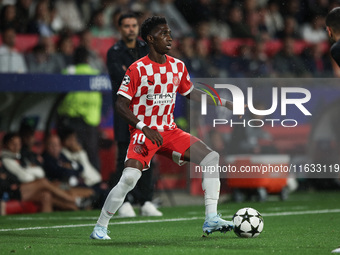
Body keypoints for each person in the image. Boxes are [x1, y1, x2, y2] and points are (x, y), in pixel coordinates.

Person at [90, 16, 235, 240]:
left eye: (169, 33)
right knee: (129, 178)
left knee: (211, 158)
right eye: (164, 33)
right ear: (150, 38)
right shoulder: (137, 69)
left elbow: (191, 93)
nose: (170, 37)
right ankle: (100, 226)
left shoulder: (177, 66)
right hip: (144, 132)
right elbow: (120, 104)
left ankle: (211, 218)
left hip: (170, 131)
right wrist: (142, 126)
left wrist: (225, 103)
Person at [106, 12, 162, 217]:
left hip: (147, 113)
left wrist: (136, 76)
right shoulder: (114, 52)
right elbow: (123, 79)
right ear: (120, 29)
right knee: (124, 156)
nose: (131, 29)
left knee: (147, 155)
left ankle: (145, 200)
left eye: (133, 25)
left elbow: (155, 75)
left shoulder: (146, 48)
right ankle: (125, 201)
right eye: (126, 25)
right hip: (125, 112)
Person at [1, 132, 78, 212]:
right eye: (13, 144)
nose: (16, 147)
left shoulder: (21, 156)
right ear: (6, 145)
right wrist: (31, 171)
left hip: (27, 188)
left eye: (18, 144)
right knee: (43, 182)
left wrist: (29, 171)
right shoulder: (6, 158)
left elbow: (40, 172)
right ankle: (73, 199)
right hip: (13, 191)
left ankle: (72, 207)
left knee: (46, 195)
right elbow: (25, 177)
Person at [57, 46, 102, 170]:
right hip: (90, 123)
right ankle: (95, 184)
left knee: (72, 154)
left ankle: (75, 182)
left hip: (71, 121)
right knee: (91, 154)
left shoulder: (68, 73)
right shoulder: (96, 75)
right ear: (87, 59)